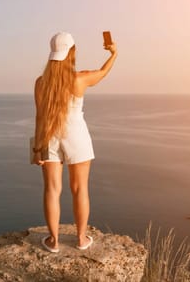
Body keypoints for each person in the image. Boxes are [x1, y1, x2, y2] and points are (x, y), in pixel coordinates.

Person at [32, 31, 117, 253]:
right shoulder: (80, 79)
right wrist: (114, 53)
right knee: (80, 189)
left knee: (52, 189)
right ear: (72, 52)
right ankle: (81, 239)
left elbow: (40, 117)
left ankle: (54, 241)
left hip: (49, 137)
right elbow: (103, 72)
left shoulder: (41, 83)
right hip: (77, 137)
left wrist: (37, 148)